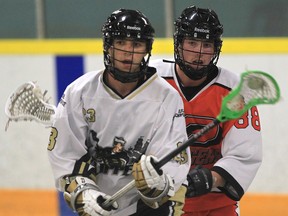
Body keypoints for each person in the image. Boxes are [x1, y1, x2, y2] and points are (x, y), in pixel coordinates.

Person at [47, 8, 190, 216]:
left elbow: (172, 162)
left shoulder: (166, 97)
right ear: (108, 46)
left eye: (136, 44)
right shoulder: (79, 92)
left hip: (144, 208)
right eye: (121, 42)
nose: (128, 52)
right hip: (97, 204)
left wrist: (159, 181)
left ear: (146, 50)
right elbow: (65, 154)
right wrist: (84, 192)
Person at [150, 5, 262, 216]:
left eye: (206, 45)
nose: (199, 53)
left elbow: (244, 154)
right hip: (159, 204)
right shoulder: (151, 81)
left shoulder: (234, 92)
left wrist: (212, 178)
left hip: (214, 207)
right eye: (192, 43)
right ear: (179, 43)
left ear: (216, 49)